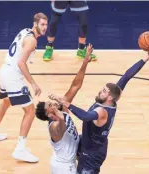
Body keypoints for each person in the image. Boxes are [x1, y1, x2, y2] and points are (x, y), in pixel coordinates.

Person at [49, 45, 149, 174]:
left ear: (110, 97)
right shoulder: (111, 99)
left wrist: (66, 103)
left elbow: (85, 117)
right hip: (91, 144)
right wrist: (146, 57)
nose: (100, 91)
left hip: (92, 154)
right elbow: (127, 76)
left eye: (104, 91)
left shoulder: (102, 111)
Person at [0, 12, 48, 163]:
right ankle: (20, 149)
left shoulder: (24, 31)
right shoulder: (31, 40)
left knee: (6, 102)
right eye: (42, 25)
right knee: (30, 110)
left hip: (4, 70)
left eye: (46, 25)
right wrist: (33, 83)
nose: (45, 28)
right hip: (12, 74)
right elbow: (21, 63)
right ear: (35, 24)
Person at [35, 44, 93, 173]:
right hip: (63, 168)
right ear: (50, 115)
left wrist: (85, 63)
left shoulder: (62, 109)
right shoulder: (53, 128)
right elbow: (60, 130)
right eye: (50, 105)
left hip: (69, 163)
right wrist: (61, 120)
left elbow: (75, 86)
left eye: (50, 102)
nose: (53, 103)